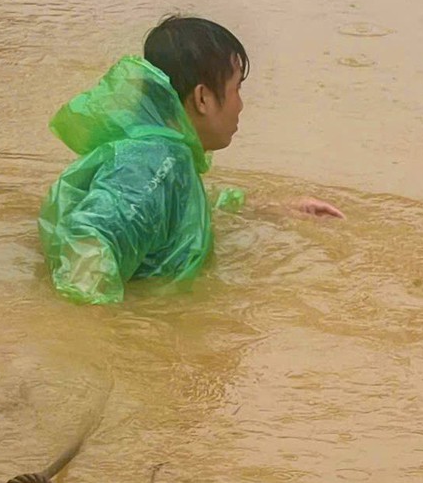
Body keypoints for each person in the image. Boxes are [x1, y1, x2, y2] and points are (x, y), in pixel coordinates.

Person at [39, 16, 342, 306]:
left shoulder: (166, 156)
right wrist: (106, 336)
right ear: (202, 98)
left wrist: (273, 209)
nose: (241, 104)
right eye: (237, 88)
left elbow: (173, 208)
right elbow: (89, 240)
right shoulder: (156, 162)